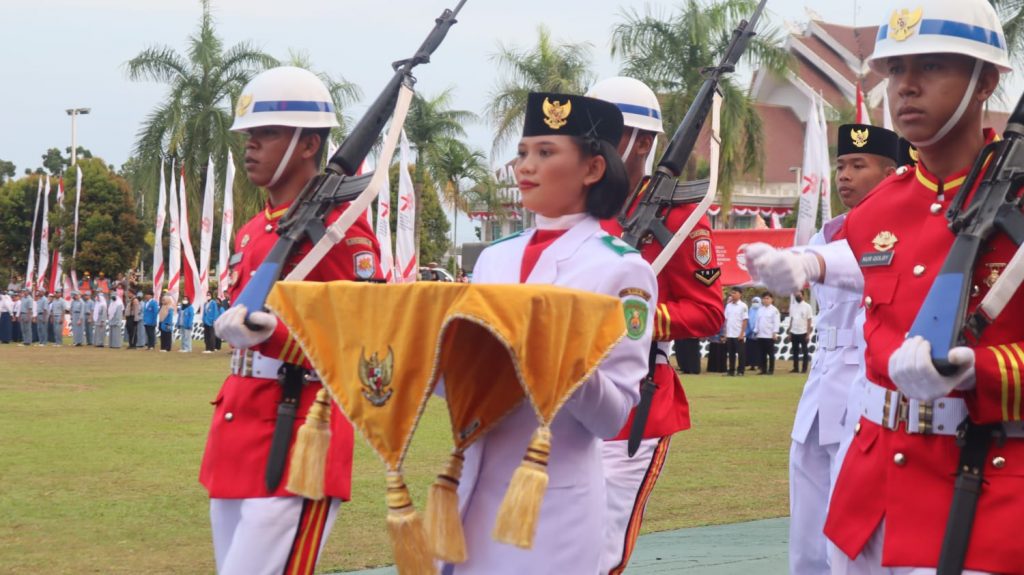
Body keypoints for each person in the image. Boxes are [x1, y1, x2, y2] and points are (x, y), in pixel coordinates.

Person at [751, 2, 1023, 571]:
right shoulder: (880, 208)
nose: (907, 87)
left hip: (982, 482)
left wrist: (981, 368)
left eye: (933, 66)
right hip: (870, 482)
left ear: (985, 82)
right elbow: (848, 269)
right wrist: (803, 263)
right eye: (896, 70)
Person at [449, 91, 656, 575]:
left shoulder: (621, 269)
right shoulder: (494, 258)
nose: (526, 166)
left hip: (553, 497)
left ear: (592, 169)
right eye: (523, 153)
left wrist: (555, 360)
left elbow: (612, 418)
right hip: (472, 483)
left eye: (546, 152)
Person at [200, 66, 384, 575]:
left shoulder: (341, 232)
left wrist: (276, 337)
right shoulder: (254, 230)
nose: (250, 146)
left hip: (299, 431)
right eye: (249, 136)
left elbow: (370, 341)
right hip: (239, 427)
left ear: (308, 144)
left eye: (266, 134)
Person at [747, 122, 899, 574]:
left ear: (891, 173)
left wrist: (807, 264)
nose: (846, 176)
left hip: (865, 384)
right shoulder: (826, 233)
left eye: (859, 165)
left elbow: (866, 264)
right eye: (841, 166)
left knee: (853, 539)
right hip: (821, 382)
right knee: (807, 534)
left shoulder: (898, 230)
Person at [588, 76, 724, 574]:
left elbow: (708, 312)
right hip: (567, 394)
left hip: (634, 398)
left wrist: (633, 320)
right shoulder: (578, 209)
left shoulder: (681, 216)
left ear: (643, 142)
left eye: (604, 132)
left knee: (600, 548)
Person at [723, 288, 748, 376]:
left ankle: (741, 371)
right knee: (731, 354)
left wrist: (742, 333)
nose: (732, 294)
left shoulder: (743, 306)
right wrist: (725, 333)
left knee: (741, 354)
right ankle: (731, 371)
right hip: (730, 333)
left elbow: (745, 320)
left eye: (735, 293)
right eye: (732, 293)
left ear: (740, 294)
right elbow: (726, 320)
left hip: (738, 334)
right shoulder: (728, 306)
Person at [754, 293, 780, 375]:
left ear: (771, 300)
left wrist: (774, 333)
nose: (765, 300)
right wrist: (756, 330)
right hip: (760, 335)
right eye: (764, 298)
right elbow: (757, 321)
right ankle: (763, 369)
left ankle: (771, 370)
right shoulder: (760, 309)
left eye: (767, 298)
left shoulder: (774, 310)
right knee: (762, 354)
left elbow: (776, 322)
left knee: (770, 354)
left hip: (769, 335)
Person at [788, 291, 813, 373]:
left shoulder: (807, 306)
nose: (797, 296)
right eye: (796, 294)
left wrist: (808, 334)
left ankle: (804, 368)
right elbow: (791, 319)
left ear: (803, 295)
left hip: (803, 332)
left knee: (805, 351)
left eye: (799, 294)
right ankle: (795, 368)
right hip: (794, 331)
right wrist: (790, 332)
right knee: (795, 351)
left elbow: (809, 320)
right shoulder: (792, 306)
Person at [745, 295, 762, 372]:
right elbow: (747, 321)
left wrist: (757, 330)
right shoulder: (750, 310)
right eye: (754, 302)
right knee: (750, 350)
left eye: (756, 302)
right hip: (750, 334)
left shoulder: (762, 310)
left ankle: (760, 365)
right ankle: (752, 365)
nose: (755, 303)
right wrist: (748, 332)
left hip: (759, 334)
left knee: (759, 350)